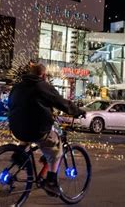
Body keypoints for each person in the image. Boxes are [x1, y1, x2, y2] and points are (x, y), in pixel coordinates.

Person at [8, 63, 85, 197]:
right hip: (36, 130)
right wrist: (77, 111)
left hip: (16, 128)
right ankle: (51, 182)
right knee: (56, 149)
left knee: (28, 137)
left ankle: (20, 154)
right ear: (43, 75)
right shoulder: (43, 86)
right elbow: (62, 103)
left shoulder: (17, 86)